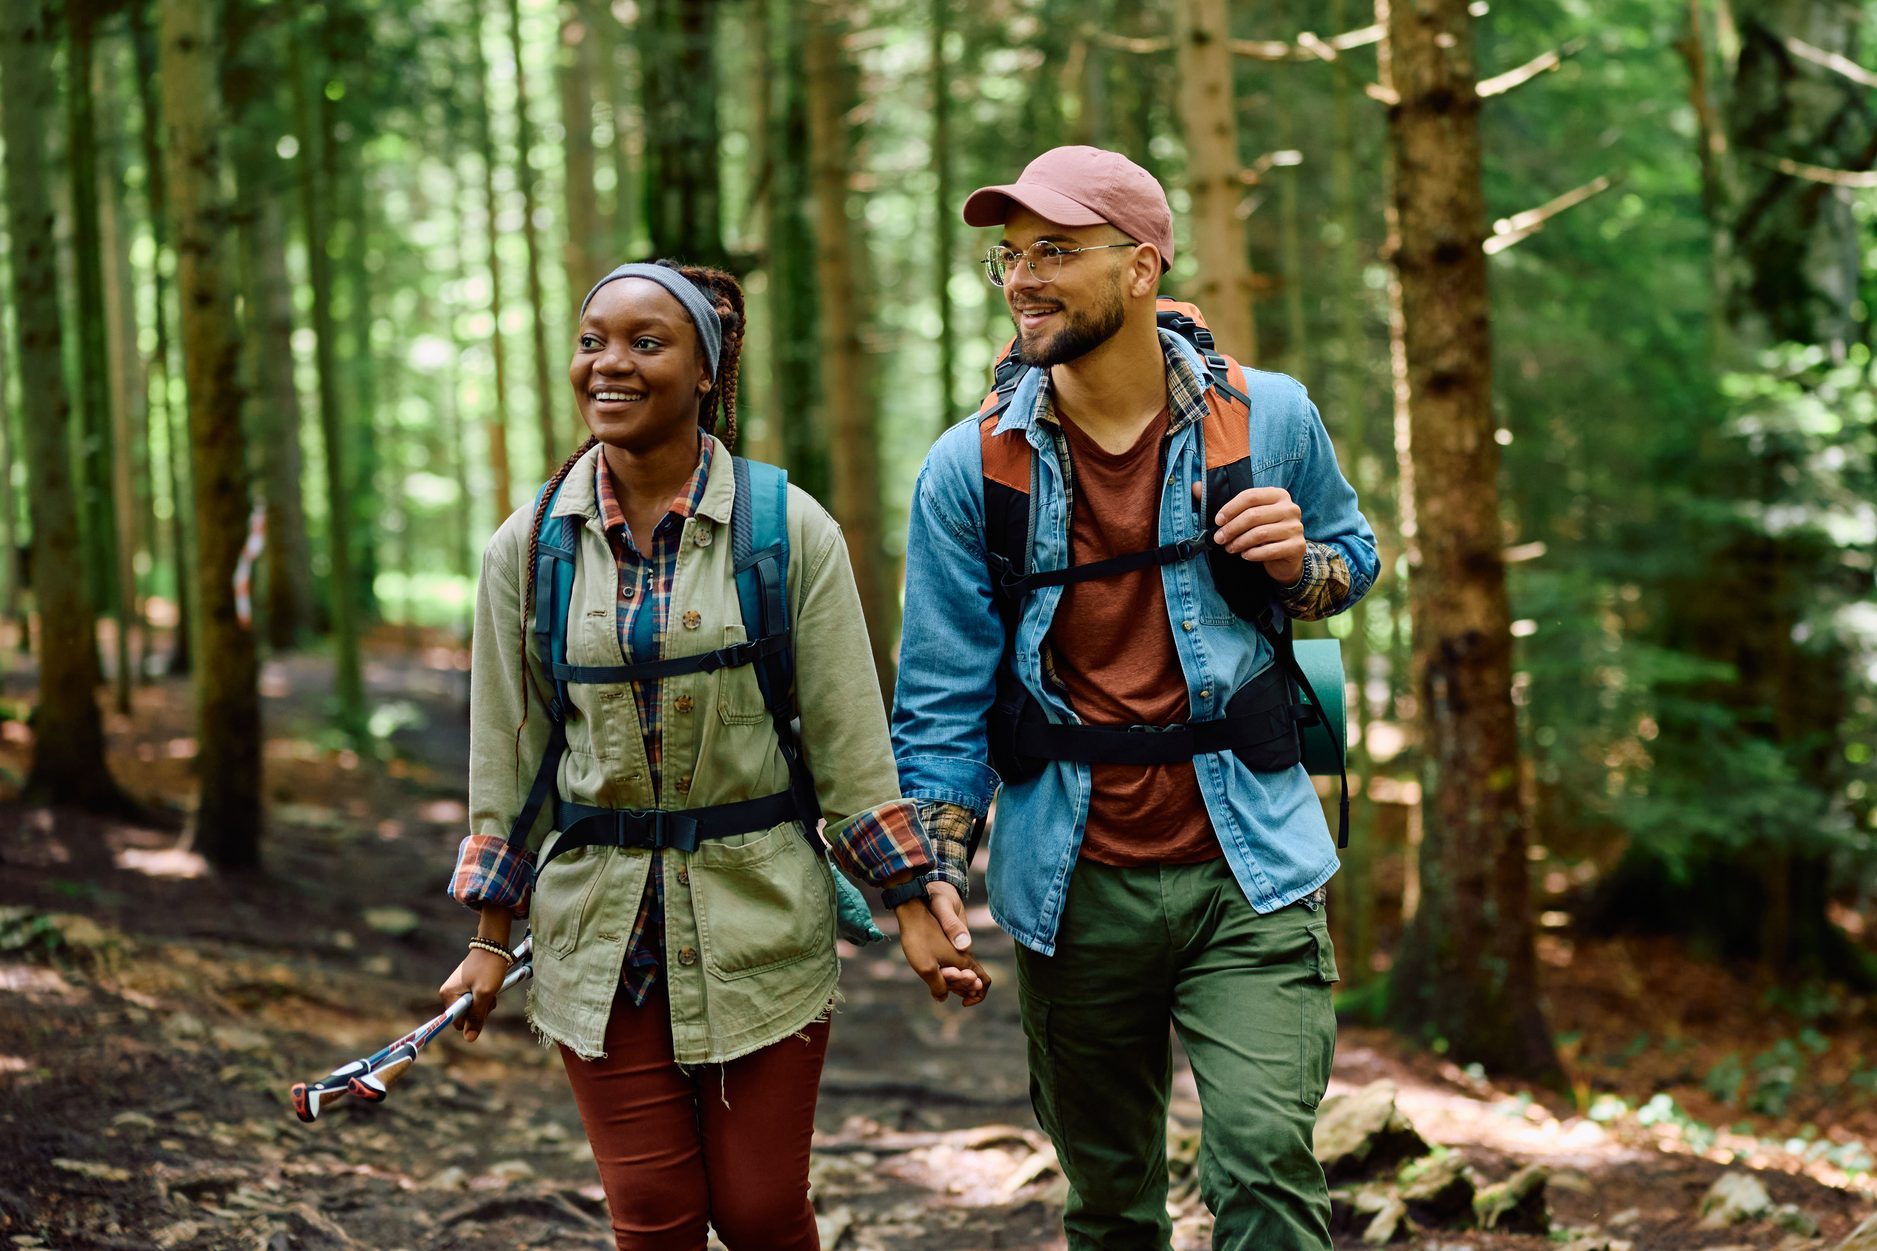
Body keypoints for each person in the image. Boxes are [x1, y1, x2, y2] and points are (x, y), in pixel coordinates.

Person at [438, 259, 988, 1251]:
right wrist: (487, 940)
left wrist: (912, 907)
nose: (609, 363)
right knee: (651, 1219)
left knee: (759, 1211)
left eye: (646, 343)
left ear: (706, 371)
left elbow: (852, 752)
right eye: (592, 339)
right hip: (594, 940)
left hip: (760, 924)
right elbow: (508, 771)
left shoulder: (785, 534)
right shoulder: (526, 554)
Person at [893, 147, 1378, 1249]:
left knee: (1261, 1165)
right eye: (1008, 256)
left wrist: (1299, 565)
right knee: (1110, 1206)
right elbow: (937, 702)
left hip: (1248, 872)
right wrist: (927, 876)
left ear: (1141, 267)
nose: (1020, 278)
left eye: (1053, 252)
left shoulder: (1271, 418)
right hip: (1072, 887)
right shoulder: (970, 471)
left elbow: (1353, 556)